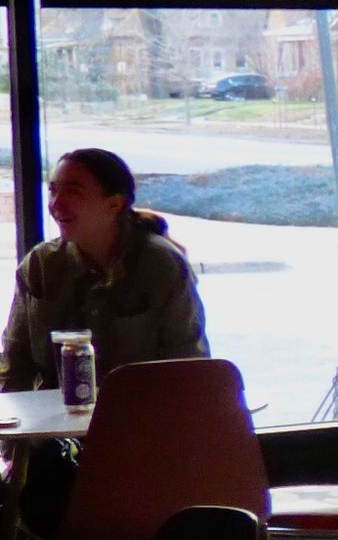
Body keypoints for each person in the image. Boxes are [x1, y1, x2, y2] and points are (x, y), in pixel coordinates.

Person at [2, 147, 208, 392]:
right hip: (56, 424)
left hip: (145, 418)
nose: (56, 204)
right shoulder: (41, 265)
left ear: (114, 204)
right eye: (53, 190)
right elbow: (15, 366)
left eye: (73, 192)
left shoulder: (161, 264)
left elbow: (188, 364)